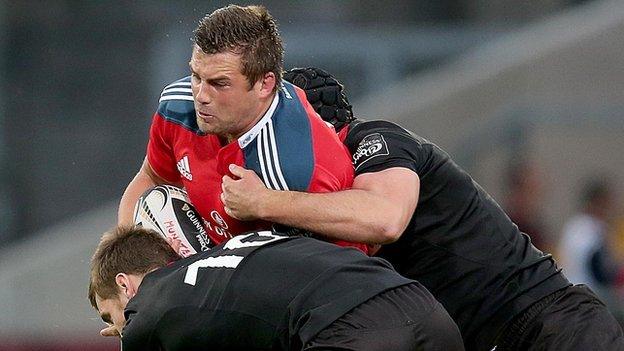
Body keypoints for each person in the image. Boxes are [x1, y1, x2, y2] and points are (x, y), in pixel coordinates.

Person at [220, 67, 624, 350]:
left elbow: (385, 219)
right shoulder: (319, 203)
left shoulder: (374, 139)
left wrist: (264, 200)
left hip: (544, 326)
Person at [117, 5, 365, 253]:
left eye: (219, 83)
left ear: (264, 84)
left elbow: (328, 267)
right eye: (196, 76)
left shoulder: (297, 166)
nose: (201, 95)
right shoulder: (177, 107)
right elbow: (152, 177)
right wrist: (127, 260)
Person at [88, 226, 464, 351]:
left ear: (125, 285)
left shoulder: (150, 300)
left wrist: (129, 328)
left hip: (351, 329)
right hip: (428, 310)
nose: (116, 327)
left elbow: (137, 325)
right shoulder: (233, 253)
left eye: (111, 315)